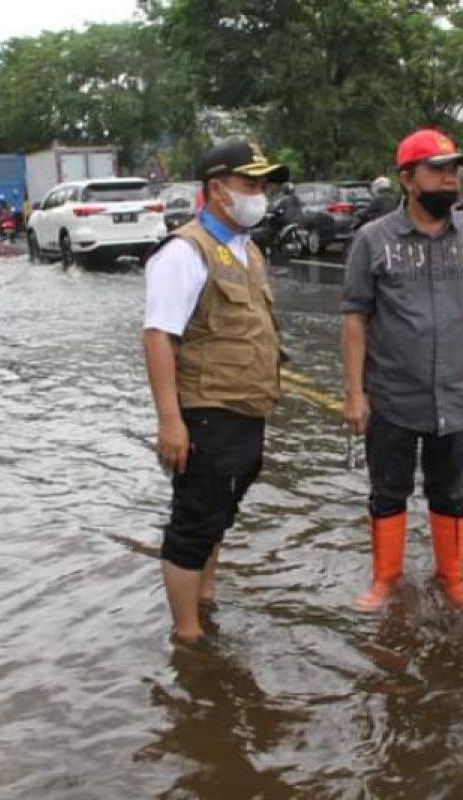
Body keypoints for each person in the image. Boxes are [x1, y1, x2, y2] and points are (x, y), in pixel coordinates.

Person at [341, 129, 463, 612]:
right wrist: (354, 394)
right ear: (408, 179)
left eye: (454, 169)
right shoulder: (373, 241)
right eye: (438, 169)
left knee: (450, 490)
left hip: (456, 395)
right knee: (387, 490)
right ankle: (386, 580)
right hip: (391, 394)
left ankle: (451, 578)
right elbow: (355, 321)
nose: (450, 178)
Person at [142, 139, 289, 645]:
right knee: (194, 520)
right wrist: (170, 420)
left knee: (218, 514)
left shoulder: (246, 248)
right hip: (205, 411)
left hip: (245, 406)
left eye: (263, 184)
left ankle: (205, 599)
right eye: (250, 184)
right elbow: (159, 334)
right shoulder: (185, 251)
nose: (260, 193)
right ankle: (187, 636)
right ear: (216, 190)